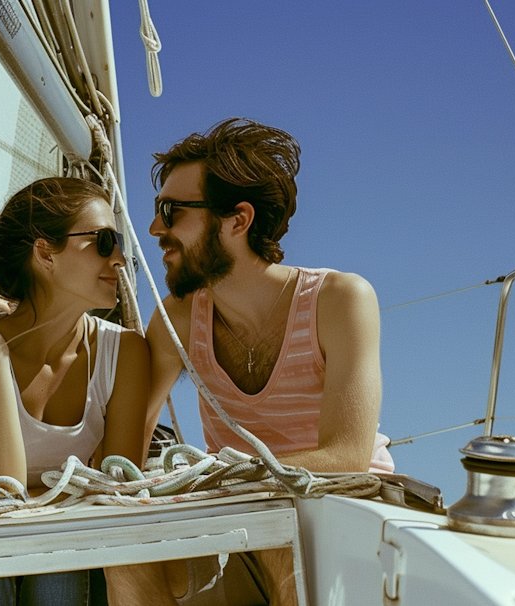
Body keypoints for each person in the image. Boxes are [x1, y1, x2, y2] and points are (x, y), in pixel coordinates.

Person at [109, 118, 393, 605]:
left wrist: (213, 484)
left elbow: (346, 455)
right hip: (243, 519)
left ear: (237, 220)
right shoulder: (178, 316)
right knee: (125, 553)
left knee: (286, 540)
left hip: (342, 513)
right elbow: (127, 446)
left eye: (171, 211)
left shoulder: (339, 299)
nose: (156, 228)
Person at [0, 177, 150, 606]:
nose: (122, 258)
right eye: (104, 241)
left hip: (72, 545)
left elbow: (116, 490)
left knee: (57, 569)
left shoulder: (126, 352)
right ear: (46, 253)